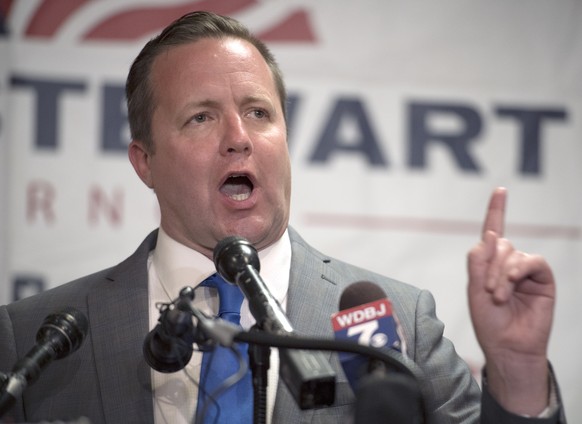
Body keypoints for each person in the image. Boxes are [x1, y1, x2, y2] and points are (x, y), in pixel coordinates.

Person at [0, 11, 566, 424]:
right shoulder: (32, 336)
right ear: (144, 161)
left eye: (258, 113)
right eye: (201, 117)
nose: (239, 139)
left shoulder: (396, 323)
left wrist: (518, 371)